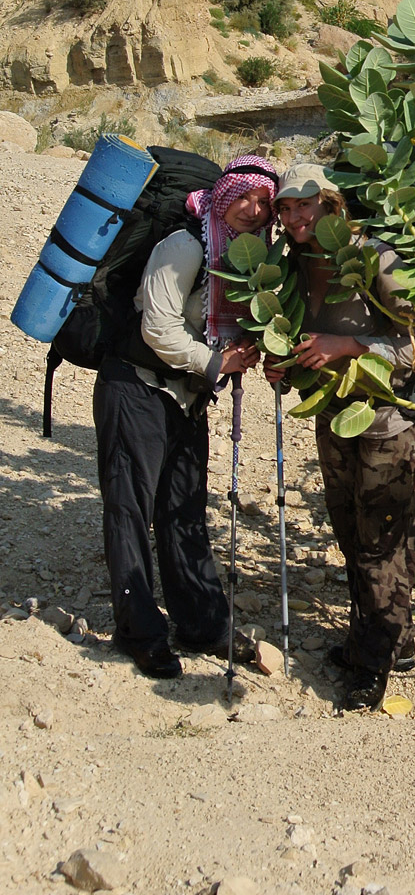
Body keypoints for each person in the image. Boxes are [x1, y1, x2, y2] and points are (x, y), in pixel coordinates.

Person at [92, 154, 279, 679]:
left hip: (186, 396)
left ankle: (203, 624)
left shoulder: (240, 258)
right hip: (135, 387)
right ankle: (140, 632)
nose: (253, 208)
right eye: (245, 195)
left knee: (184, 510)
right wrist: (217, 361)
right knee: (129, 509)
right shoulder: (184, 244)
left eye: (265, 202)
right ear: (223, 193)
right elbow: (158, 328)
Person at [265, 161, 415, 711]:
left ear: (332, 203)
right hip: (335, 416)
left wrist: (349, 347)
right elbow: (300, 336)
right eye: (285, 208)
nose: (294, 217)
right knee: (349, 532)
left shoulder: (373, 255)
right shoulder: (295, 265)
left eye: (304, 204)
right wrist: (284, 363)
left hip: (393, 421)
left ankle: (372, 668)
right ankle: (391, 642)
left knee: (381, 542)